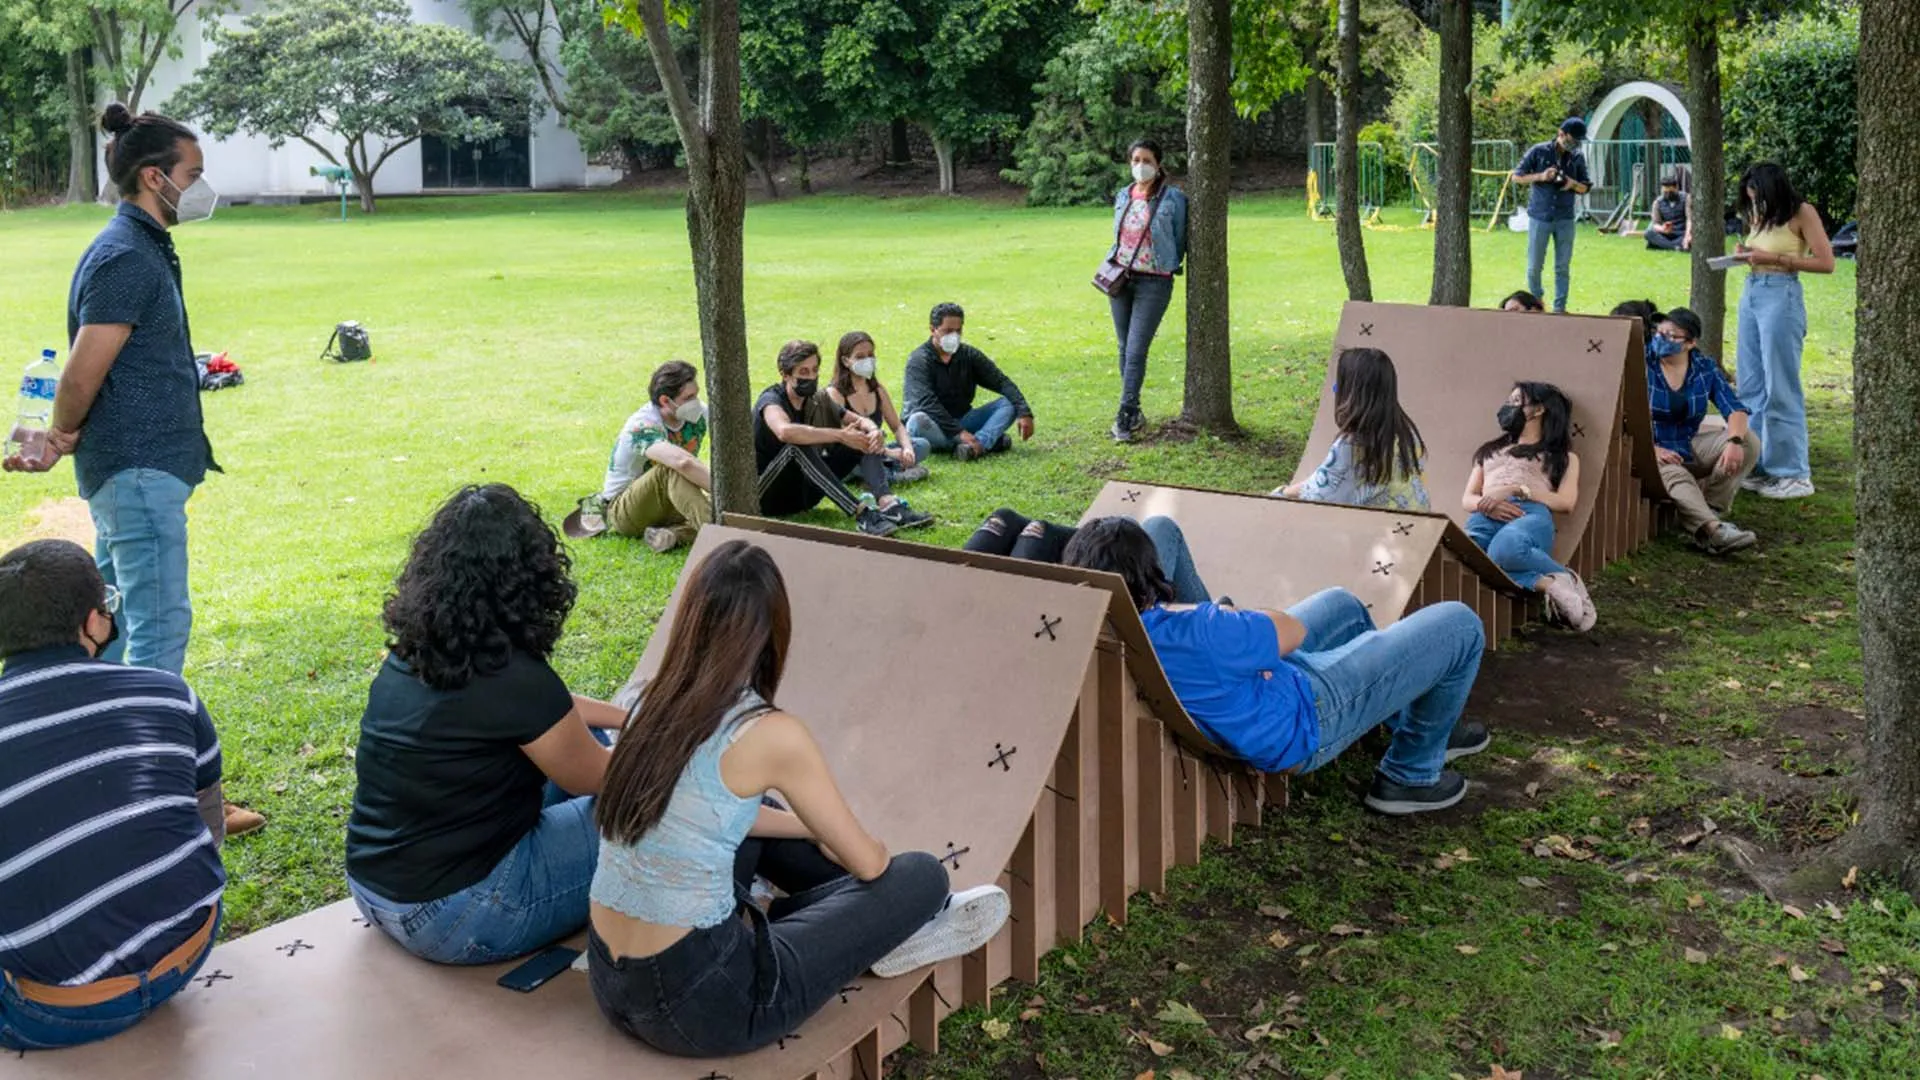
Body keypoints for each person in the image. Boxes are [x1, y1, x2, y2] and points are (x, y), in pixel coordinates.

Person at [586, 540, 1010, 1057]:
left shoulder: (642, 699)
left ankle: (820, 918)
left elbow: (713, 819)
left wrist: (811, 828)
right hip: (704, 1007)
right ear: (770, 634)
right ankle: (897, 923)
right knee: (919, 876)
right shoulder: (768, 734)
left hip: (611, 983)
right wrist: (854, 860)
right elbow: (873, 863)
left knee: (766, 817)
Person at [0, 104, 261, 839]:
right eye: (193, 175)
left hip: (140, 474)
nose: (200, 188)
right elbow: (84, 369)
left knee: (108, 629)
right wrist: (61, 432)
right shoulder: (126, 256)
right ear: (156, 177)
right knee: (156, 634)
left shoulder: (141, 247)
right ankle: (157, 802)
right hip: (137, 476)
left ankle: (100, 779)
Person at [345, 485, 628, 965]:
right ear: (531, 578)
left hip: (376, 893)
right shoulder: (517, 681)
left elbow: (551, 713)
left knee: (596, 741)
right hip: (461, 914)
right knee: (655, 814)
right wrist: (679, 743)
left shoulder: (413, 656)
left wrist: (630, 716)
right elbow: (608, 777)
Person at [1061, 518, 1490, 815]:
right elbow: (1292, 631)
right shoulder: (1202, 627)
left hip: (1244, 679)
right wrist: (1226, 616)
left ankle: (1418, 720)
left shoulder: (1099, 628)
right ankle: (1410, 773)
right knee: (1460, 624)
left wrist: (1222, 629)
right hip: (1307, 713)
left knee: (1340, 602)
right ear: (1150, 574)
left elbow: (1161, 533)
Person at [0, 539, 225, 1050]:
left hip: (50, 1011)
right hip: (189, 946)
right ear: (91, 623)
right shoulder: (167, 691)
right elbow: (208, 822)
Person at [1733, 162, 1835, 501]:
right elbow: (1760, 251)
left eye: (1757, 195)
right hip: (1752, 291)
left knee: (1780, 385)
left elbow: (1826, 263)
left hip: (1781, 293)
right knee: (1751, 384)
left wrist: (1778, 259)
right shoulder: (1761, 216)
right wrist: (1746, 255)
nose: (1754, 203)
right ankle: (1759, 464)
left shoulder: (1801, 212)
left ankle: (1793, 472)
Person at [756, 341, 931, 538]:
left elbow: (858, 420)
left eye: (815, 370)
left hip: (804, 495)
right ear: (785, 374)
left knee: (861, 438)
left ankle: (888, 504)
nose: (811, 377)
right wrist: (839, 435)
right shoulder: (771, 400)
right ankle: (862, 513)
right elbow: (785, 431)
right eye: (804, 372)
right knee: (796, 446)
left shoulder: (816, 399)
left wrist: (873, 431)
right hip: (767, 495)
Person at [1462, 382, 1596, 631]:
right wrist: (1487, 504)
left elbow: (1566, 502)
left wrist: (1515, 490)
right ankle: (1554, 582)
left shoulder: (1563, 457)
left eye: (1516, 401)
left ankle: (1560, 579)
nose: (1507, 407)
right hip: (1485, 515)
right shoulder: (1490, 451)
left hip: (1529, 514)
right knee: (1467, 557)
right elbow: (1467, 498)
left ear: (1538, 410)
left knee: (1506, 548)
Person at [1646, 308, 1759, 554]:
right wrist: (1650, 448)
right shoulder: (1641, 363)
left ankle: (1712, 509)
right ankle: (1713, 532)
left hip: (1687, 444)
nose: (1661, 339)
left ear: (1690, 343)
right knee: (1675, 475)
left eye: (1671, 335)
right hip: (1651, 449)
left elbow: (1735, 409)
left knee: (1749, 442)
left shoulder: (1703, 367)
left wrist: (1735, 441)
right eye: (1658, 333)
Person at [570, 361, 711, 552]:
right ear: (665, 401)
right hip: (625, 510)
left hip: (671, 502)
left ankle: (672, 535)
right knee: (670, 469)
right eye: (689, 397)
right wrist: (722, 490)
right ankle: (724, 535)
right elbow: (682, 462)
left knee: (702, 500)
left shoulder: (698, 413)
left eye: (696, 394)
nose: (696, 402)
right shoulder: (642, 425)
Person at [1105, 138, 1189, 443]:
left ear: (1158, 163)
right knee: (1124, 348)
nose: (1140, 166)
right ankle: (1135, 410)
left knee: (1137, 350)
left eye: (1147, 160)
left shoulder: (1173, 199)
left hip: (1154, 281)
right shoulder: (1123, 195)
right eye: (1135, 159)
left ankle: (1125, 415)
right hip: (1121, 279)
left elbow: (1180, 238)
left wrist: (1168, 263)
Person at [1276, 347, 1430, 510]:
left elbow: (1319, 496)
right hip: (1418, 525)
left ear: (1350, 393)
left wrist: (1281, 493)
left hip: (1380, 531)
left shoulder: (1353, 445)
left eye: (1338, 386)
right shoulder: (1405, 432)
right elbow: (1328, 478)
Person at [963, 508, 1211, 604]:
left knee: (1008, 520)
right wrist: (1223, 611)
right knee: (1158, 525)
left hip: (1031, 613)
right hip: (1140, 616)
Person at [903, 303, 1036, 462]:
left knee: (1010, 402)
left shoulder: (968, 354)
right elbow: (926, 403)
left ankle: (976, 444)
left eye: (958, 331)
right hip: (932, 425)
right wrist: (959, 433)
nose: (954, 336)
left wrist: (1024, 412)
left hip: (964, 418)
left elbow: (1001, 382)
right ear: (933, 330)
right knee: (917, 420)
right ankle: (986, 443)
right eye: (948, 331)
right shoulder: (919, 360)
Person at [827, 331, 929, 486]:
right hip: (850, 454)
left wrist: (907, 449)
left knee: (921, 445)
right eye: (860, 357)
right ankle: (891, 475)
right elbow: (846, 439)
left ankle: (880, 471)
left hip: (878, 450)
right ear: (846, 361)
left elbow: (897, 426)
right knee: (858, 460)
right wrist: (890, 453)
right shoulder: (835, 393)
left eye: (870, 355)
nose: (867, 360)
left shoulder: (877, 390)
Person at [1512, 118, 1592, 313]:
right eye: (1573, 139)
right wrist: (1541, 176)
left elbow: (1585, 187)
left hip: (1565, 217)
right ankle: (1537, 303)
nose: (1575, 144)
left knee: (1562, 267)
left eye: (1579, 141)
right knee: (1533, 267)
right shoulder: (1539, 151)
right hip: (1540, 216)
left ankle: (1560, 308)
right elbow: (1516, 176)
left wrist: (1572, 183)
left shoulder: (1577, 157)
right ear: (1561, 133)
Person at [1645, 172, 1689, 252]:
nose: (1668, 194)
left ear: (1676, 188)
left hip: (1682, 233)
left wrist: (1688, 235)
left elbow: (1690, 219)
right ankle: (1675, 247)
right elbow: (1655, 224)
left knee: (1693, 238)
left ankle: (1661, 245)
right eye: (1665, 192)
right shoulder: (1658, 202)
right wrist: (1662, 228)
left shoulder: (1686, 198)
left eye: (1670, 192)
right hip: (1667, 234)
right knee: (1649, 233)